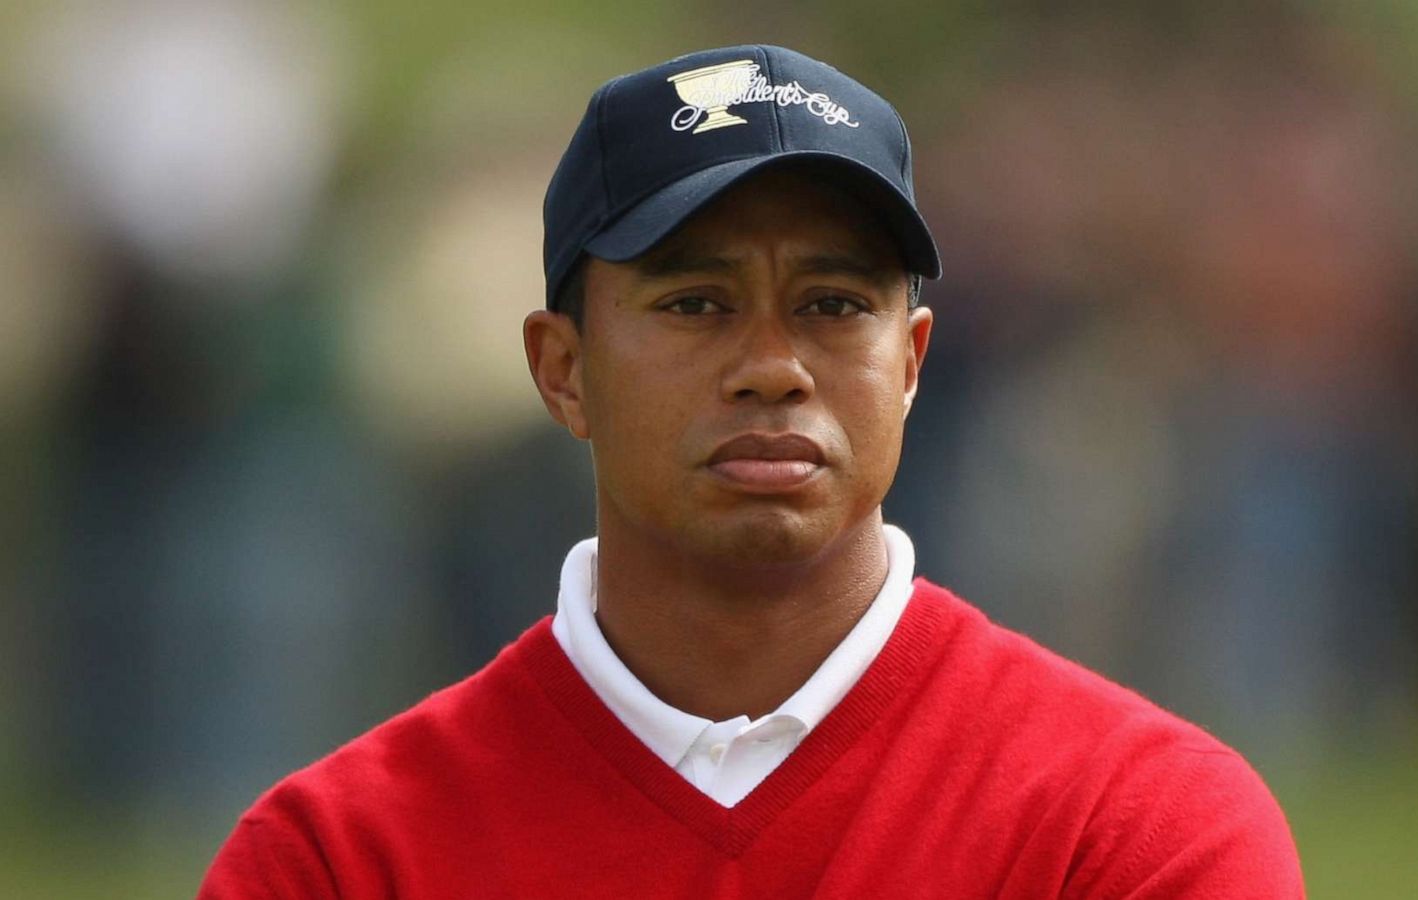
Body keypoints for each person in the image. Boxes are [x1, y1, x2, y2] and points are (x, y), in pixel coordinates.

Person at [200, 44, 1304, 898]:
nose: (773, 368)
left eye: (832, 306)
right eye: (695, 304)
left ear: (911, 363)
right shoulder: (343, 859)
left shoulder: (1132, 829)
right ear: (563, 369)